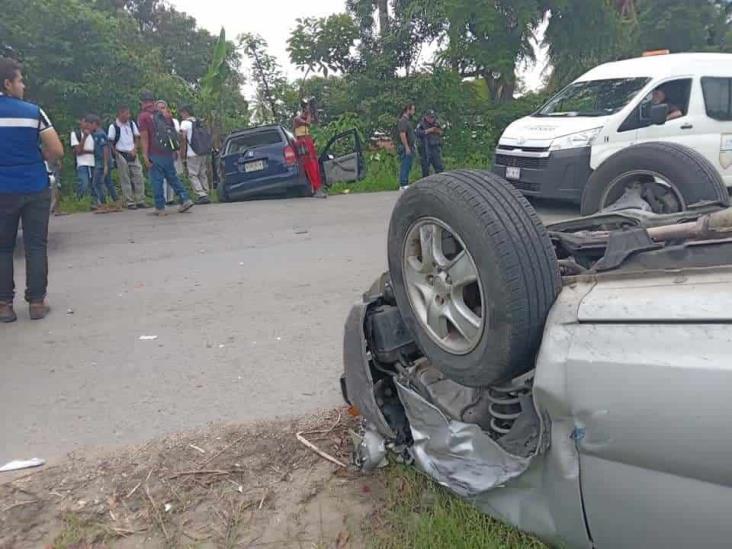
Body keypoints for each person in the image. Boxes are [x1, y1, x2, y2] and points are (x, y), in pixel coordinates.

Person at [0, 57, 64, 322]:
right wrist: (39, 159)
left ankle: (4, 305)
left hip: (3, 190)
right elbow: (57, 150)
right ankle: (37, 303)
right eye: (20, 80)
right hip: (35, 186)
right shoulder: (33, 111)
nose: (23, 85)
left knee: (3, 248)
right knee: (36, 246)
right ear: (8, 83)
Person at [137, 92, 194, 215]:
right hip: (168, 152)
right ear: (153, 101)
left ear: (142, 102)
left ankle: (160, 207)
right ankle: (185, 198)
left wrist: (145, 155)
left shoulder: (144, 117)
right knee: (172, 177)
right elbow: (173, 134)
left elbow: (144, 137)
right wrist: (175, 150)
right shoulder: (165, 115)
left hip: (154, 153)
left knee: (157, 180)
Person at [109, 104, 147, 209]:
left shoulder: (131, 124)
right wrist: (116, 154)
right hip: (121, 153)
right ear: (120, 114)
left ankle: (140, 199)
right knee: (125, 178)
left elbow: (137, 137)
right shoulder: (114, 126)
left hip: (132, 152)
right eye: (126, 114)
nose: (128, 116)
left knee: (138, 175)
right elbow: (110, 142)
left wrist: (135, 149)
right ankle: (129, 201)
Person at [293, 100, 326, 199]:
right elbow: (307, 123)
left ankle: (317, 187)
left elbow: (316, 122)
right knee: (309, 165)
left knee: (315, 163)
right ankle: (315, 188)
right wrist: (309, 113)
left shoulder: (306, 116)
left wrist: (314, 113)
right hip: (302, 141)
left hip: (308, 139)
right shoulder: (297, 119)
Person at [179, 105, 211, 204]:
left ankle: (201, 194)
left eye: (181, 113)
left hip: (192, 153)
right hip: (202, 152)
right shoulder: (198, 122)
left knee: (192, 174)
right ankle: (206, 192)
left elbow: (183, 137)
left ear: (185, 112)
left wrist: (182, 152)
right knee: (202, 173)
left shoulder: (185, 123)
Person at [87, 114, 115, 211]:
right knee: (108, 182)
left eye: (89, 125)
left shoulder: (100, 134)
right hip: (99, 161)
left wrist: (106, 165)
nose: (88, 127)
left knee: (96, 183)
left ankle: (103, 203)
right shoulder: (94, 134)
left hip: (102, 162)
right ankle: (116, 201)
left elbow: (105, 149)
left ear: (94, 124)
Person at [70, 115, 96, 204]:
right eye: (84, 122)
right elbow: (78, 151)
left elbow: (96, 151)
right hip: (82, 163)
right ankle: (80, 201)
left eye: (87, 122)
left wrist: (86, 151)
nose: (86, 124)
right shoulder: (76, 134)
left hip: (93, 163)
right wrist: (84, 137)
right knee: (83, 184)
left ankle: (94, 202)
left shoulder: (94, 134)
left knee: (94, 185)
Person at [415, 110, 445, 178]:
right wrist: (429, 130)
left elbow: (441, 132)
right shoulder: (421, 124)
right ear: (426, 117)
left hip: (435, 147)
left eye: (433, 117)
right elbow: (417, 133)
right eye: (430, 117)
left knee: (439, 167)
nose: (432, 119)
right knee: (425, 168)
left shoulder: (436, 124)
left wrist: (437, 131)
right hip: (425, 148)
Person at [397, 103, 417, 190]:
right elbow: (402, 134)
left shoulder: (408, 121)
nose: (414, 112)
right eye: (413, 110)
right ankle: (403, 184)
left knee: (408, 165)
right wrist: (406, 147)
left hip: (411, 146)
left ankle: (405, 182)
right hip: (406, 147)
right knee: (405, 165)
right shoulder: (403, 121)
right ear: (408, 110)